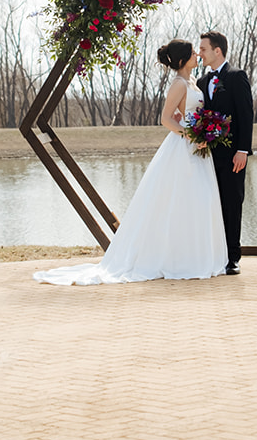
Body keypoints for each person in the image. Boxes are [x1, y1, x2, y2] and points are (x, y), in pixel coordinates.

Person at [33, 39, 228, 285]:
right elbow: (166, 119)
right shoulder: (179, 84)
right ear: (181, 60)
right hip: (182, 149)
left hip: (199, 151)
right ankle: (175, 259)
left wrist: (206, 132)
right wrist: (190, 134)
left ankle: (197, 256)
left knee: (199, 200)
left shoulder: (194, 83)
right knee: (180, 200)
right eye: (192, 53)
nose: (196, 55)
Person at [198, 30, 254, 275]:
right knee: (212, 205)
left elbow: (246, 115)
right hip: (207, 158)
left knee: (232, 204)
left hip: (233, 156)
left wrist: (242, 150)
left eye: (203, 49)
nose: (199, 53)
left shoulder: (236, 77)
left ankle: (232, 257)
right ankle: (213, 253)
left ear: (217, 50)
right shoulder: (202, 82)